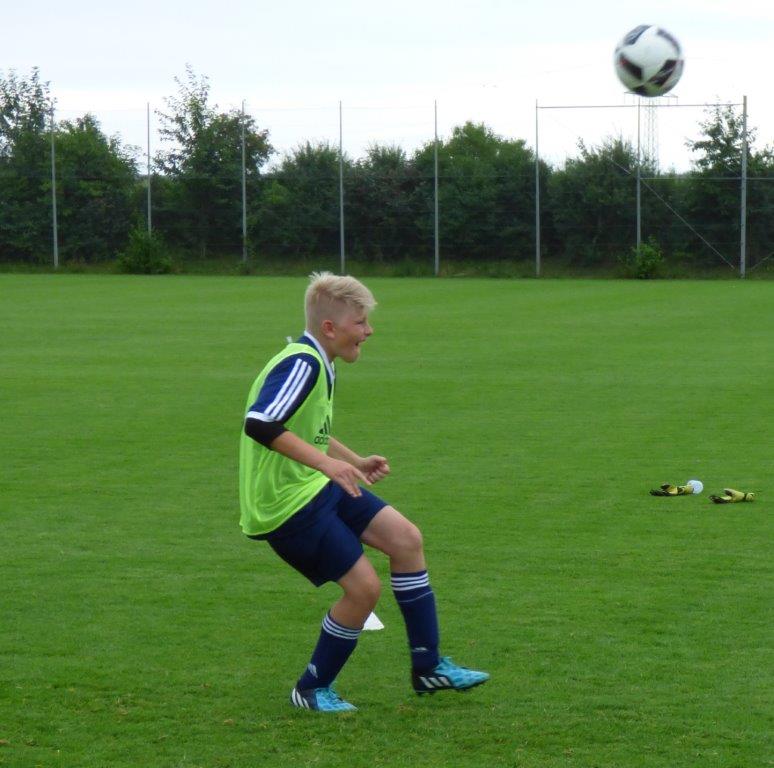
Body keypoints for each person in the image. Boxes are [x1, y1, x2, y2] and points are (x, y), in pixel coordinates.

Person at [239, 272, 489, 712]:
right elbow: (260, 424)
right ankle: (311, 688)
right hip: (285, 505)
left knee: (406, 539)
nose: (369, 331)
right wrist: (327, 464)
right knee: (363, 589)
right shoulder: (303, 363)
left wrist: (352, 460)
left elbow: (307, 428)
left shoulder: (322, 361)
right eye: (360, 322)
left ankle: (428, 666)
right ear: (329, 327)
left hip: (315, 485)